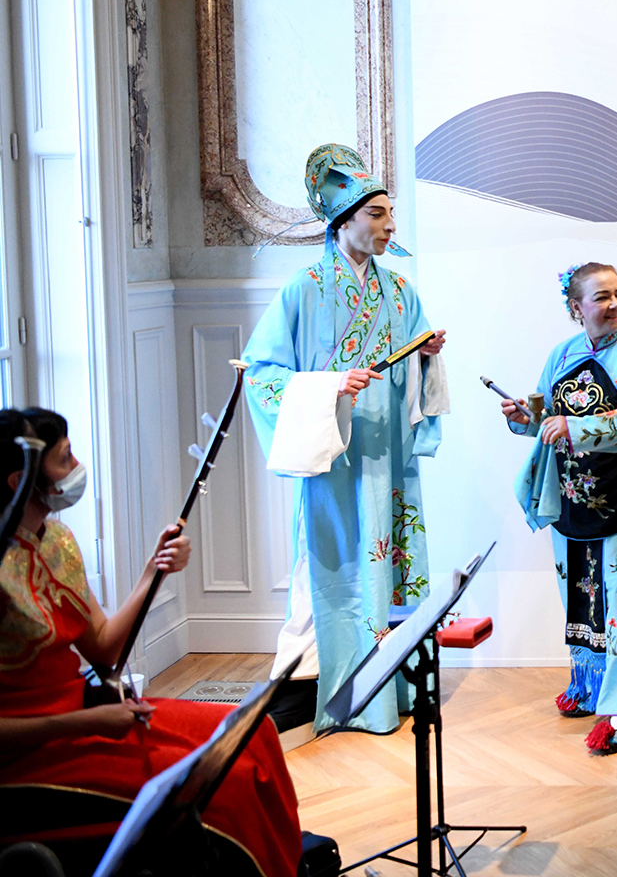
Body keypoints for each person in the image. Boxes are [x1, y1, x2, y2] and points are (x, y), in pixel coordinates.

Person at [0, 408, 301, 876]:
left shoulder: (54, 538)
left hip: (87, 716)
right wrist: (87, 722)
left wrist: (152, 571)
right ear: (20, 481)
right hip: (32, 755)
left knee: (257, 732)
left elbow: (103, 648)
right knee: (225, 790)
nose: (77, 465)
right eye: (65, 459)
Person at [241, 143, 448, 734]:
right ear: (345, 219)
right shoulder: (304, 288)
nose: (387, 225)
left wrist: (425, 357)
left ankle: (389, 689)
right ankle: (326, 690)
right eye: (377, 213)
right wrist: (331, 386)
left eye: (388, 214)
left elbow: (411, 364)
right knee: (327, 566)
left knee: (386, 562)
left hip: (385, 454)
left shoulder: (400, 291)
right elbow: (262, 373)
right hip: (334, 453)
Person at [506, 263, 617, 754]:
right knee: (581, 597)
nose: (615, 304)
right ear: (577, 308)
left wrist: (576, 429)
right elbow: (542, 420)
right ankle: (587, 683)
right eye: (601, 297)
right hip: (570, 497)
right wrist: (522, 418)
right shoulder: (562, 354)